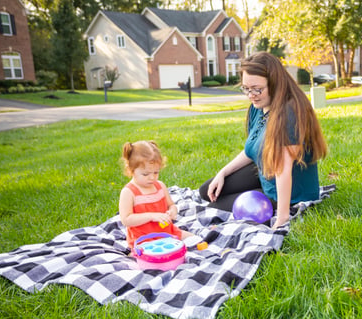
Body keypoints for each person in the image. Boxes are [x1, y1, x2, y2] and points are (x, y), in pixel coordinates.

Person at [199, 52, 328, 229]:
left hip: (289, 193)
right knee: (207, 191)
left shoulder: (290, 113)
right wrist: (223, 172)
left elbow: (283, 168)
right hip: (265, 173)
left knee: (215, 207)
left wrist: (282, 217)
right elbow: (252, 149)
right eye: (246, 88)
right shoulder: (258, 107)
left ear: (275, 84)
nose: (251, 94)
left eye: (257, 89)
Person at [119, 140, 197, 251]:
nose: (152, 177)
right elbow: (126, 219)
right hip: (143, 239)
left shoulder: (160, 186)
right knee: (155, 257)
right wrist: (151, 216)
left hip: (167, 232)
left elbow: (171, 205)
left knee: (195, 240)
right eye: (145, 174)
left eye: (156, 172)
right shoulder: (129, 192)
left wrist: (173, 211)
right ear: (131, 170)